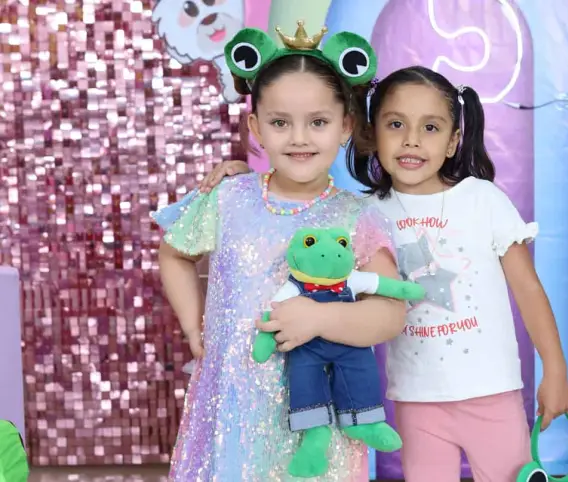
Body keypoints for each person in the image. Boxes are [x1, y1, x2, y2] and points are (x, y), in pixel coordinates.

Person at [205, 66, 568, 482]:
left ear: (454, 140)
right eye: (396, 124)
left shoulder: (482, 200)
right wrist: (249, 183)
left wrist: (556, 371)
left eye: (430, 127)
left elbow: (528, 289)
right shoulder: (362, 213)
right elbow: (299, 211)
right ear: (370, 133)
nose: (411, 140)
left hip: (492, 392)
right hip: (415, 398)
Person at [154, 23, 406, 481]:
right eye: (280, 122)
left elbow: (390, 313)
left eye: (318, 122)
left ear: (346, 126)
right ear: (256, 127)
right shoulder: (229, 197)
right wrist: (194, 328)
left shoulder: (356, 216)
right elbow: (174, 253)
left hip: (319, 415)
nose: (299, 138)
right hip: (232, 407)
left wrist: (320, 319)